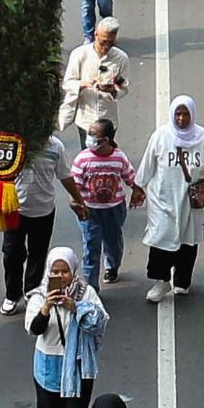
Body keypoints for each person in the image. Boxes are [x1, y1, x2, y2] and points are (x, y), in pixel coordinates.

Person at [25, 246, 108, 408]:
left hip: (79, 365)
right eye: (56, 272)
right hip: (48, 365)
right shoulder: (39, 297)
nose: (61, 277)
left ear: (73, 272)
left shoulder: (86, 293)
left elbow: (99, 322)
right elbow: (34, 329)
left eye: (65, 272)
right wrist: (46, 308)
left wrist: (77, 308)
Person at [135, 98, 204, 304]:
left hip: (190, 201)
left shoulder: (202, 137)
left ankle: (182, 281)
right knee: (160, 241)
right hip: (163, 200)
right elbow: (147, 164)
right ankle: (162, 280)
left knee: (188, 241)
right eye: (178, 114)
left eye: (186, 114)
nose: (182, 119)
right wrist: (138, 188)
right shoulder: (161, 136)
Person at [1, 130, 85, 315]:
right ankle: (12, 294)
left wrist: (79, 199)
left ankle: (32, 291)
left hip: (43, 211)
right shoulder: (16, 143)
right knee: (11, 254)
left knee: (37, 254)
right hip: (15, 210)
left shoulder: (56, 147)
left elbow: (65, 176)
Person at [70, 121, 137, 289]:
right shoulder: (82, 159)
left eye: (95, 135)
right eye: (90, 134)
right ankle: (91, 288)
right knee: (91, 248)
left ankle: (112, 266)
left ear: (106, 140)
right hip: (90, 211)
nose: (90, 138)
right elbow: (74, 186)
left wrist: (137, 190)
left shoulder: (119, 157)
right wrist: (76, 204)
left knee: (113, 242)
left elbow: (131, 177)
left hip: (114, 210)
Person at [58, 17, 130, 142]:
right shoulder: (79, 54)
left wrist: (112, 90)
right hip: (86, 120)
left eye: (111, 43)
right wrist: (85, 84)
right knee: (88, 157)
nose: (106, 47)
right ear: (95, 35)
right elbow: (67, 83)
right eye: (103, 42)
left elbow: (123, 88)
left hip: (108, 120)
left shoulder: (121, 58)